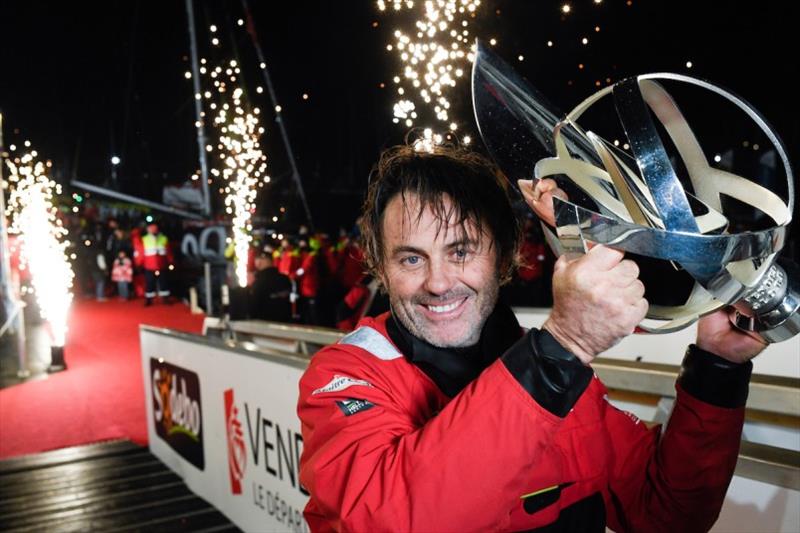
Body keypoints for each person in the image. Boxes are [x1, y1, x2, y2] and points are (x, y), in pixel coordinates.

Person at [297, 145, 766, 532]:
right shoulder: (348, 372)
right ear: (381, 268)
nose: (439, 283)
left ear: (505, 257)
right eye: (412, 259)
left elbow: (667, 514)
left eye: (460, 252)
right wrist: (562, 347)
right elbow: (382, 521)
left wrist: (716, 368)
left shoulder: (553, 368)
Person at [248, 249, 293, 322]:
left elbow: (253, 307)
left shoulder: (259, 282)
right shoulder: (285, 279)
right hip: (285, 323)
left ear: (259, 262)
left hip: (264, 325)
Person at [141, 221, 173, 306]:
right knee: (149, 283)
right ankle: (149, 299)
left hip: (162, 265)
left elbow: (168, 251)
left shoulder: (164, 238)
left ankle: (165, 298)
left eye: (154, 228)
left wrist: (171, 262)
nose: (152, 230)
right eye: (151, 228)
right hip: (149, 265)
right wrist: (140, 263)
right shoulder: (144, 239)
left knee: (164, 282)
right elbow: (141, 253)